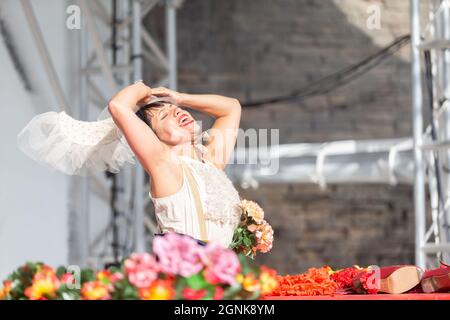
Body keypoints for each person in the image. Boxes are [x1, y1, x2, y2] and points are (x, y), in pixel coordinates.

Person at [107, 82, 243, 248]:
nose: (177, 111)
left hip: (219, 269)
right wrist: (144, 89)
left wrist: (180, 98)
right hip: (186, 271)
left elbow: (231, 108)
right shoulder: (164, 164)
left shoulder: (211, 162)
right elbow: (118, 105)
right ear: (153, 137)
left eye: (175, 108)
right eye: (164, 116)